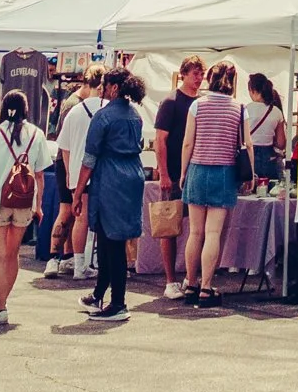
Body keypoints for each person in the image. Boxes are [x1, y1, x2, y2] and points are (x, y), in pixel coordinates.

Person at [0, 91, 56, 325]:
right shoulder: (37, 134)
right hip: (24, 201)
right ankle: (2, 301)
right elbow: (40, 176)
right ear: (26, 109)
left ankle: (0, 306)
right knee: (12, 253)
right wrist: (38, 205)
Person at [81, 68, 148, 321]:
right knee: (111, 238)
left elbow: (89, 158)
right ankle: (100, 293)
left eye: (105, 85)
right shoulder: (136, 115)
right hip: (133, 175)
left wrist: (77, 192)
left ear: (114, 88)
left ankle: (118, 302)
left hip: (110, 178)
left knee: (112, 242)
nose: (102, 89)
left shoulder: (104, 116)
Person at [180, 62, 245, 306]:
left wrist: (184, 172)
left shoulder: (197, 105)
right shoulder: (239, 108)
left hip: (197, 169)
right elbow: (246, 143)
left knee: (195, 232)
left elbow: (188, 142)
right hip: (224, 173)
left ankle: (190, 283)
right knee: (213, 233)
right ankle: (207, 287)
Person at [150, 57, 203, 299]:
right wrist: (164, 173)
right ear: (183, 74)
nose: (198, 78)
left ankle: (192, 277)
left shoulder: (202, 102)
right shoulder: (171, 102)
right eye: (194, 73)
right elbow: (160, 140)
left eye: (201, 73)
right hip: (173, 172)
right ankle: (170, 281)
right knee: (169, 226)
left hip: (197, 171)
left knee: (198, 227)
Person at [47, 71, 99, 283]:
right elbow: (65, 143)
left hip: (70, 165)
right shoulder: (73, 104)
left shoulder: (76, 105)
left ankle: (66, 257)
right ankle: (55, 257)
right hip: (71, 164)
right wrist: (69, 172)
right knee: (70, 211)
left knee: (72, 212)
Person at [243, 73, 287, 189]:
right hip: (269, 157)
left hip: (248, 155)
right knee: (269, 191)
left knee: (248, 192)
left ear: (252, 90)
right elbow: (281, 143)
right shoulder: (276, 111)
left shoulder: (245, 109)